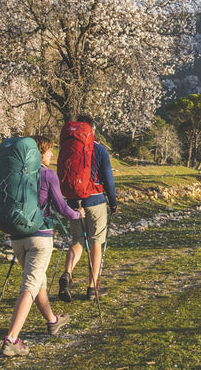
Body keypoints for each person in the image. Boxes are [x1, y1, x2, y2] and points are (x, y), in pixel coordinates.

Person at [0, 136, 85, 358]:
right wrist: (78, 214)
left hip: (17, 237)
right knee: (30, 285)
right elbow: (61, 207)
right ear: (39, 153)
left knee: (39, 283)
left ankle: (52, 321)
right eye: (48, 152)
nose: (51, 156)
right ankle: (12, 339)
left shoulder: (16, 175)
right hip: (39, 237)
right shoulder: (47, 174)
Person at [58, 115, 118, 302]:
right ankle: (92, 287)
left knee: (77, 240)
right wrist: (113, 202)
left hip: (73, 200)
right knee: (95, 242)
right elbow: (108, 178)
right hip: (95, 201)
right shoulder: (99, 150)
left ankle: (67, 273)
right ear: (92, 129)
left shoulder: (68, 149)